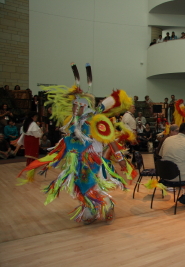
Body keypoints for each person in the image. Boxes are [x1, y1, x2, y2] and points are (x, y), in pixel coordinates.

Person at [17, 64, 136, 224]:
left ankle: (107, 205)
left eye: (75, 104)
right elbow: (69, 140)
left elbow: (111, 139)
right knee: (80, 185)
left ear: (83, 105)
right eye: (73, 104)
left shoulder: (96, 120)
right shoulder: (74, 122)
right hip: (78, 160)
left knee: (94, 186)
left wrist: (120, 158)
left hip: (94, 160)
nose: (72, 107)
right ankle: (90, 210)